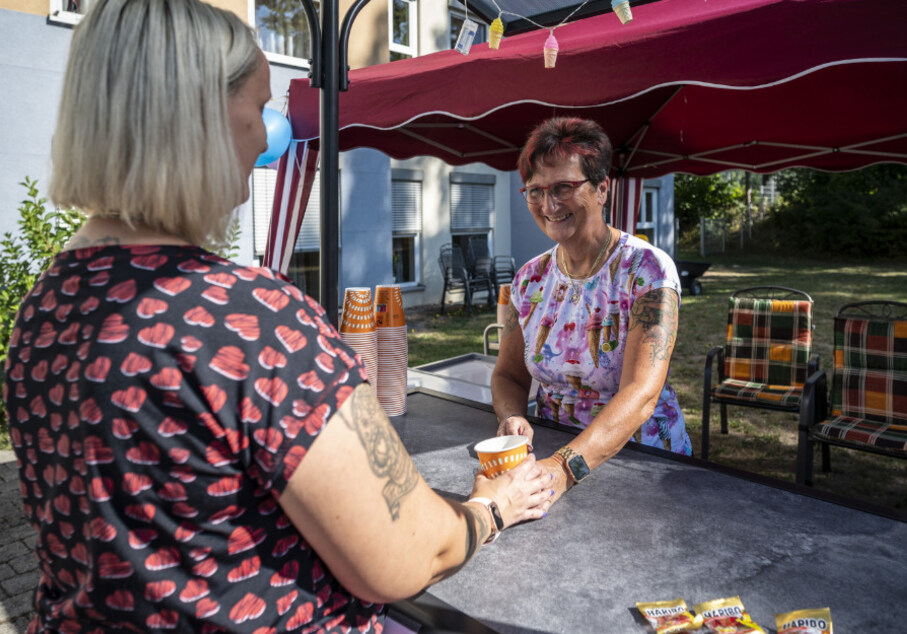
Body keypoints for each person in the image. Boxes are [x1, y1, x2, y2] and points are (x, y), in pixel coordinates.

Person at [2, 1, 552, 632]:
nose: (267, 137)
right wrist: (490, 508)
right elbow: (404, 553)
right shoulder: (245, 318)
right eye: (259, 108)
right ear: (198, 115)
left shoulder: (45, 305)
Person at [492, 117, 692, 504]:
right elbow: (507, 375)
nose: (549, 205)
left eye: (563, 187)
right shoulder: (529, 280)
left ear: (602, 189)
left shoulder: (647, 270)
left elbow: (642, 393)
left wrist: (564, 468)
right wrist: (510, 415)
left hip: (642, 466)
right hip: (550, 459)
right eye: (535, 191)